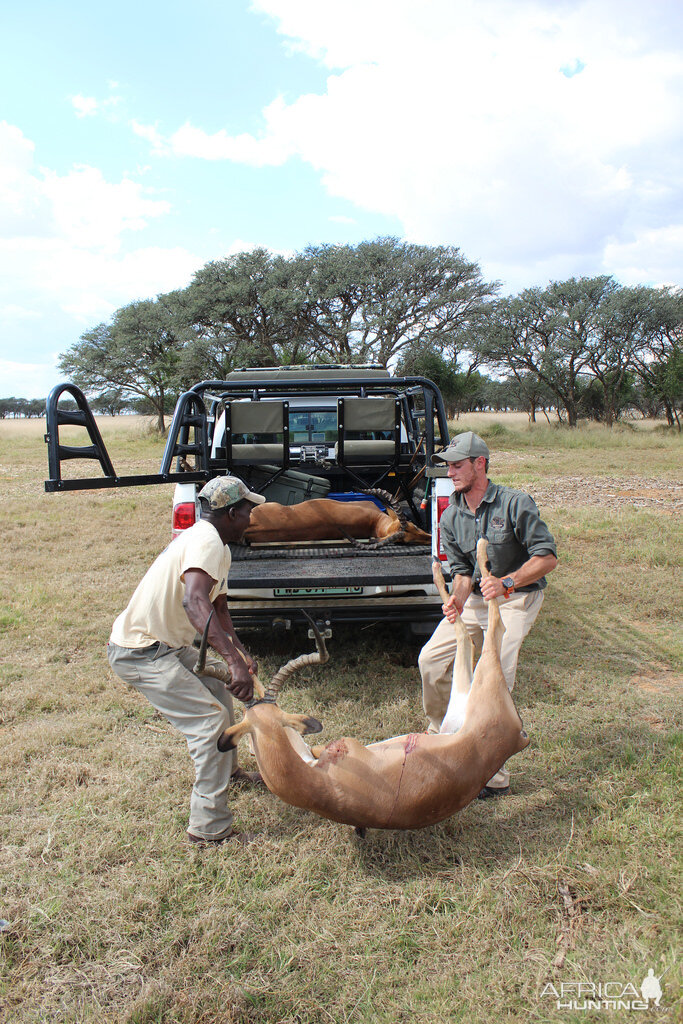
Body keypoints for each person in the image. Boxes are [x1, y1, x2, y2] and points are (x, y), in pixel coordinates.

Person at [107, 475, 267, 845]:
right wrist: (232, 659)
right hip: (141, 651)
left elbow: (218, 607)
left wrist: (239, 655)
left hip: (166, 645)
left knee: (219, 692)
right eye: (247, 511)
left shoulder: (219, 545)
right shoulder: (207, 541)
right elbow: (193, 602)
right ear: (230, 513)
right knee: (211, 724)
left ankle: (228, 774)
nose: (251, 518)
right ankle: (209, 831)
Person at [419, 431, 557, 798]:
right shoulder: (450, 515)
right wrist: (457, 600)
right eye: (448, 466)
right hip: (478, 600)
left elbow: (547, 558)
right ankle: (444, 732)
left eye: (457, 465)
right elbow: (463, 573)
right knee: (430, 661)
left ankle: (492, 775)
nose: (450, 473)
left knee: (493, 678)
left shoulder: (515, 503)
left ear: (480, 464)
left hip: (516, 599)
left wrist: (507, 583)